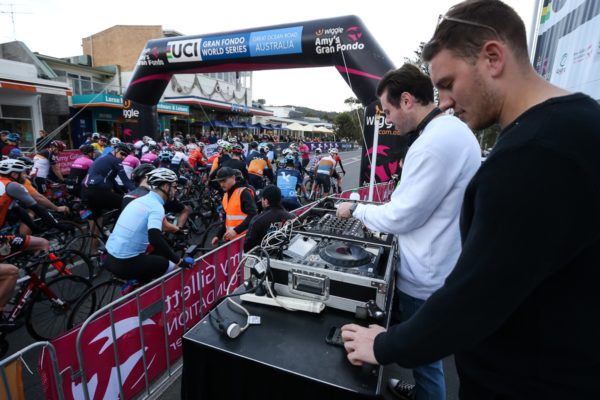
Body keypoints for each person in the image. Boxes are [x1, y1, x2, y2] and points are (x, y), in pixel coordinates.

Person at [340, 2, 600, 400]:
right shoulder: (574, 124)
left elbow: (475, 299)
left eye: (447, 83)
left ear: (492, 58)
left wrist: (384, 345)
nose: (443, 101)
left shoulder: (534, 154)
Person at [336, 62, 481, 400]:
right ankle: (419, 388)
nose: (387, 120)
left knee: (426, 359)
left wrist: (357, 209)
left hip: (427, 275)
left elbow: (402, 215)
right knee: (421, 354)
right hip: (438, 263)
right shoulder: (448, 132)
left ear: (406, 100)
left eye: (387, 111)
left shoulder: (434, 143)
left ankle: (426, 393)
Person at [105, 168, 193, 283]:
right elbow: (155, 238)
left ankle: (139, 284)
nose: (176, 190)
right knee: (170, 266)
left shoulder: (141, 200)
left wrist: (179, 231)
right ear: (166, 187)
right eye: (175, 186)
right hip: (125, 262)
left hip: (110, 257)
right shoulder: (156, 206)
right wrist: (180, 261)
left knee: (152, 256)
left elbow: (164, 225)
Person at [211, 167, 257, 245]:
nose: (221, 184)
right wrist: (218, 235)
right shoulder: (226, 195)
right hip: (233, 240)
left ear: (233, 178)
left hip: (244, 239)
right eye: (219, 182)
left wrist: (236, 230)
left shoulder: (244, 193)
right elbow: (227, 219)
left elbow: (253, 215)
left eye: (224, 181)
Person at [243, 185, 295, 252]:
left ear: (266, 201)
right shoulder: (291, 217)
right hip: (285, 255)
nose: (261, 201)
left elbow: (248, 247)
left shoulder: (257, 220)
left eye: (262, 199)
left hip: (263, 258)